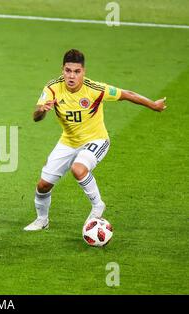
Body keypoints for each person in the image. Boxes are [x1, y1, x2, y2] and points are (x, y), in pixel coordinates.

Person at [24, 49, 166, 231]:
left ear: (84, 71)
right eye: (68, 70)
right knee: (43, 185)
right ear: (62, 70)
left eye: (76, 71)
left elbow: (127, 94)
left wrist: (153, 105)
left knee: (78, 168)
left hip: (96, 140)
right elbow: (36, 117)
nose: (71, 76)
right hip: (68, 142)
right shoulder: (52, 88)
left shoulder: (95, 89)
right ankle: (42, 220)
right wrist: (42, 110)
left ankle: (98, 205)